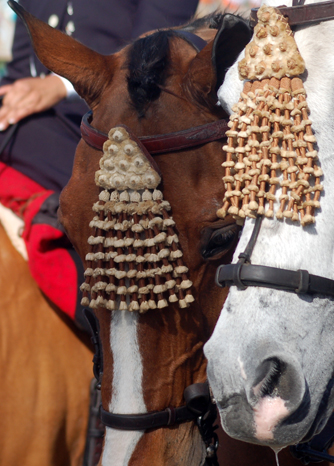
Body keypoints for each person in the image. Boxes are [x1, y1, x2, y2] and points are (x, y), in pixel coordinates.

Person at [0, 0, 199, 330]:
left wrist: (60, 86)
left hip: (111, 123)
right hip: (27, 118)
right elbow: (24, 65)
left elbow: (153, 59)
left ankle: (115, 340)